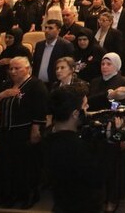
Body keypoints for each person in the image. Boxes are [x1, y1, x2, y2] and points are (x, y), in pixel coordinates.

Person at [0, 56, 48, 208]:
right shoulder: (6, 84)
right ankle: (10, 194)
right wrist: (3, 94)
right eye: (11, 68)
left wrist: (35, 129)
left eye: (17, 68)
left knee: (25, 165)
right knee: (8, 165)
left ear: (27, 69)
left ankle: (29, 195)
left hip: (24, 131)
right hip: (5, 131)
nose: (13, 71)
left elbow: (40, 110)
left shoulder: (36, 85)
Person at [43, 85, 104, 213]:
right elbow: (97, 179)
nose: (88, 109)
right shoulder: (78, 146)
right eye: (85, 106)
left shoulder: (48, 136)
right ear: (75, 114)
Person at [87, 53, 125, 213]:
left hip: (114, 129)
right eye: (102, 64)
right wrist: (109, 95)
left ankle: (112, 199)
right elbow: (89, 101)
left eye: (109, 64)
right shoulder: (95, 82)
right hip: (95, 128)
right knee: (95, 167)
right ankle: (98, 198)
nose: (104, 67)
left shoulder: (124, 83)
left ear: (116, 66)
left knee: (112, 167)